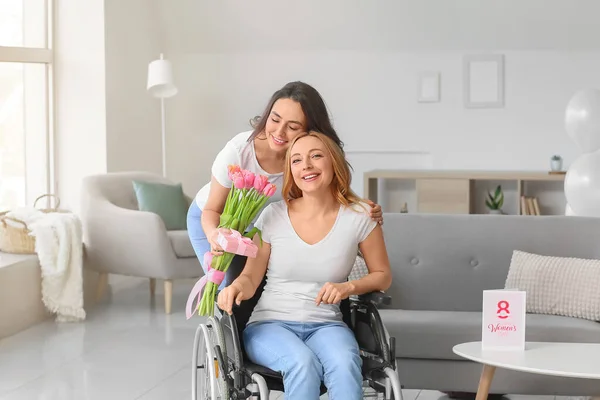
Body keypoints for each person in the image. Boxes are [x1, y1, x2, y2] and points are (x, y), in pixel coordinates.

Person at [217, 131, 392, 400]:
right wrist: (235, 287)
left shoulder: (361, 216)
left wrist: (348, 287)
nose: (306, 166)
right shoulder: (272, 215)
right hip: (269, 325)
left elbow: (382, 276)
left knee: (345, 365)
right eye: (296, 160)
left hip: (327, 326)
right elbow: (250, 277)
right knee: (302, 363)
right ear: (291, 171)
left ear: (334, 162)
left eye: (316, 156)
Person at [187, 81, 384, 288]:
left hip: (261, 226)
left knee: (260, 290)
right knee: (224, 288)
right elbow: (211, 209)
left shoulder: (307, 160)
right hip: (213, 218)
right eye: (275, 119)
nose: (279, 132)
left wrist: (363, 209)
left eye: (293, 127)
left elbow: (333, 195)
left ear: (311, 130)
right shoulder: (238, 151)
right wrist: (213, 234)